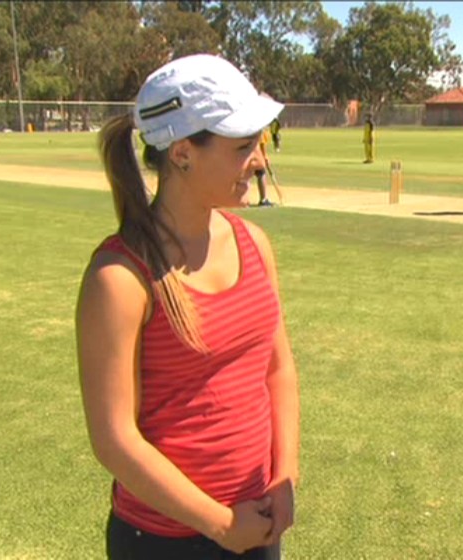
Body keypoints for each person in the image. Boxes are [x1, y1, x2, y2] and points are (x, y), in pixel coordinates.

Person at [75, 53, 300, 560]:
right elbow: (113, 438)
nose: (259, 161)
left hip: (255, 524)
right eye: (242, 147)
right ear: (181, 154)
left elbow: (278, 369)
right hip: (164, 542)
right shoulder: (120, 277)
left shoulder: (254, 243)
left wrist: (285, 476)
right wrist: (220, 524)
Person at [255, 126, 275, 207]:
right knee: (261, 172)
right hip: (255, 154)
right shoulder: (261, 127)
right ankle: (263, 200)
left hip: (246, 153)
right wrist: (265, 156)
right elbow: (261, 144)